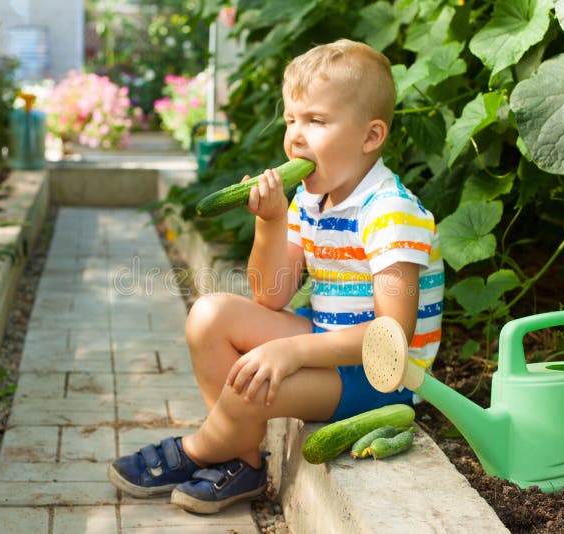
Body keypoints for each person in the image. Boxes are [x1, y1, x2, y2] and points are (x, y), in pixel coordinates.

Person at [108, 38, 444, 514]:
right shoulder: (310, 200)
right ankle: (242, 463)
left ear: (371, 137)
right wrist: (270, 222)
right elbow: (271, 295)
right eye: (291, 119)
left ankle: (199, 450)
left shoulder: (391, 212)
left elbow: (392, 336)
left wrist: (290, 350)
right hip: (328, 340)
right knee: (209, 315)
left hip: (382, 378)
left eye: (317, 121)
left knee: (251, 385)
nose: (296, 137)